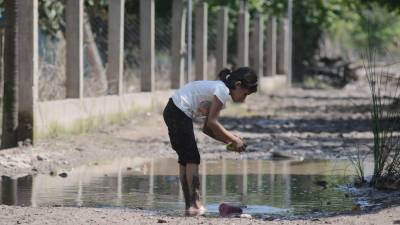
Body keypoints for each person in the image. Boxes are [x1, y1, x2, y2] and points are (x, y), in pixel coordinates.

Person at [162, 67, 258, 215]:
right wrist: (233, 138)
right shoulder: (222, 91)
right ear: (238, 85)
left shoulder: (220, 91)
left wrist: (229, 141)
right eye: (245, 94)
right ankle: (194, 204)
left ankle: (190, 205)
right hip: (178, 112)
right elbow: (213, 123)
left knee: (185, 159)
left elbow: (207, 128)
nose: (244, 99)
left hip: (174, 110)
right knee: (192, 158)